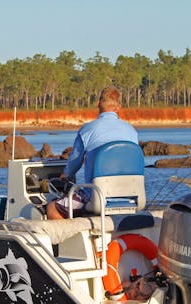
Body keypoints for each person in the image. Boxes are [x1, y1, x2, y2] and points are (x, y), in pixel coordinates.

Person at [46, 86, 139, 219]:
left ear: (97, 104)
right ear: (119, 107)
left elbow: (75, 161)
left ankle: (69, 239)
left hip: (97, 196)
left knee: (53, 207)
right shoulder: (131, 131)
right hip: (128, 196)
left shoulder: (87, 130)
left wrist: (65, 176)